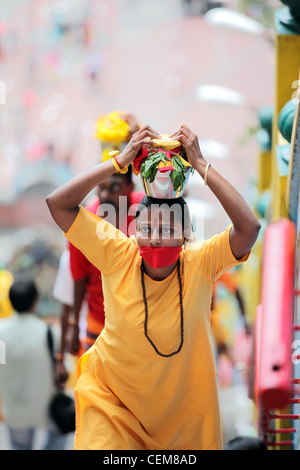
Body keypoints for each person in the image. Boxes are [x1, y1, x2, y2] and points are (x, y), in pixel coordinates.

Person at [46, 124, 260, 450]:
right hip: (113, 407)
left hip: (183, 418)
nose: (157, 237)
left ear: (187, 236)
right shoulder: (118, 254)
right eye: (147, 227)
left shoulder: (200, 263)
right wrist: (119, 161)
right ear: (133, 232)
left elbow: (249, 228)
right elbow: (58, 204)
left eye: (167, 228)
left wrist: (201, 164)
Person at [54, 113, 144, 389]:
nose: (103, 195)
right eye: (101, 188)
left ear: (131, 187)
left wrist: (138, 140)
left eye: (113, 187)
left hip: (140, 329)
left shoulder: (147, 211)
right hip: (97, 328)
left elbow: (172, 185)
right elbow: (76, 283)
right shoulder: (86, 221)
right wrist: (66, 339)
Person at [0, 274, 69, 450]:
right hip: (45, 410)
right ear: (36, 301)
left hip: (14, 409)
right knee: (60, 436)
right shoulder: (51, 333)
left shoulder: (1, 333)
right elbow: (63, 371)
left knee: (19, 446)